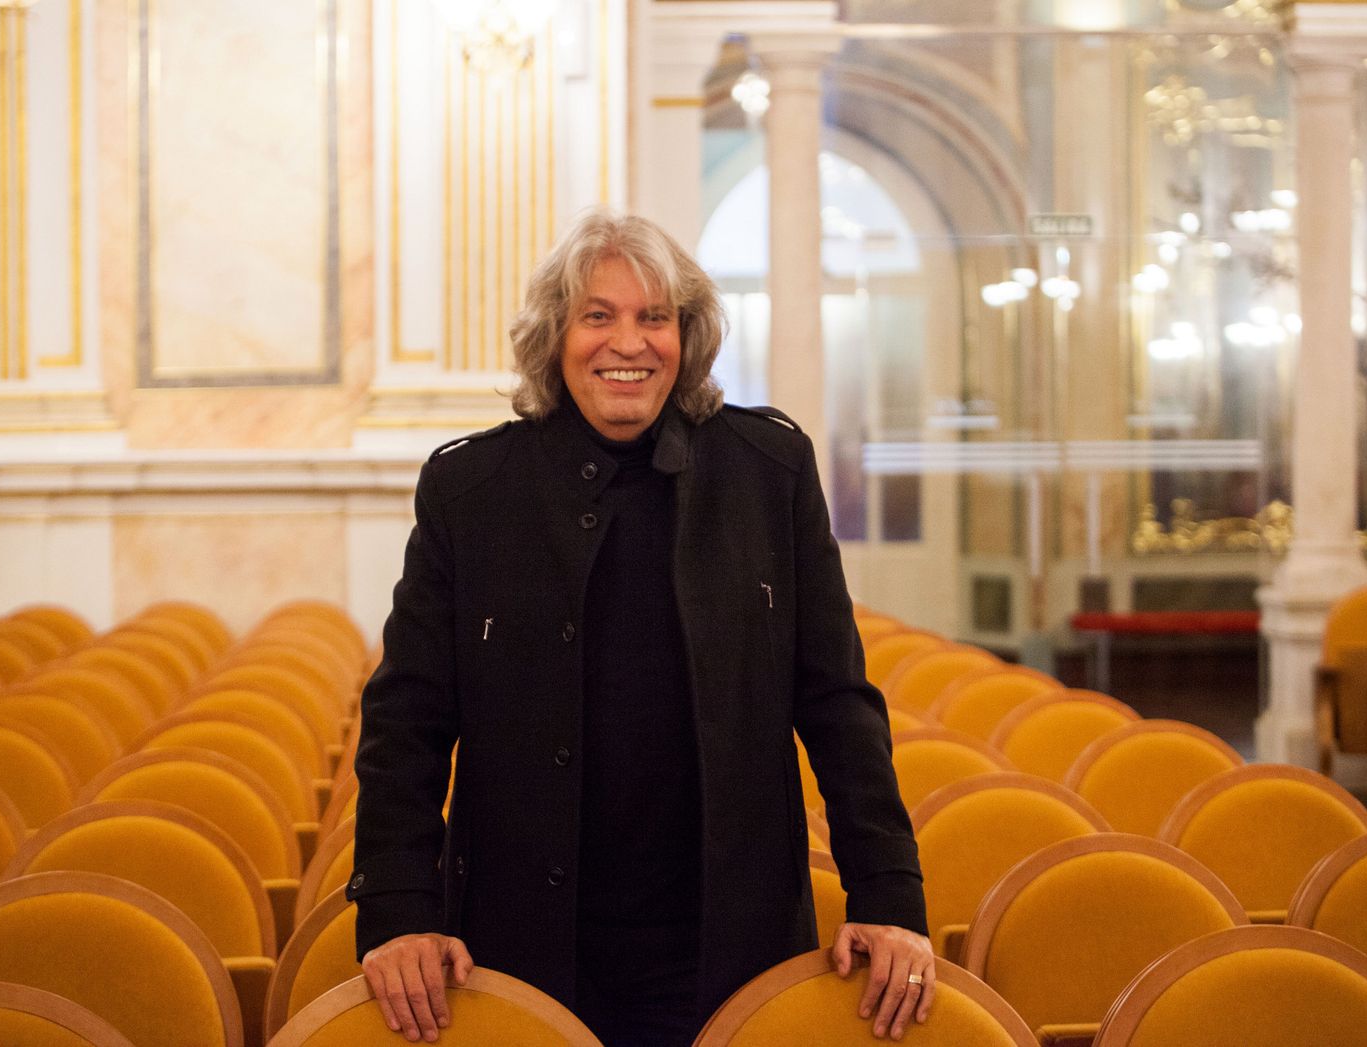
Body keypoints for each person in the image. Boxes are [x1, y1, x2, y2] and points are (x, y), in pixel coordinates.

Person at [348, 210, 935, 1046]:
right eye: (599, 315)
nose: (630, 341)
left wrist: (889, 898)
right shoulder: (471, 489)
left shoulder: (769, 472)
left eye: (654, 317)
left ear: (686, 337)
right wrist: (399, 910)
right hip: (517, 954)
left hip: (728, 951)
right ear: (555, 337)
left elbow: (838, 702)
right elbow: (406, 720)